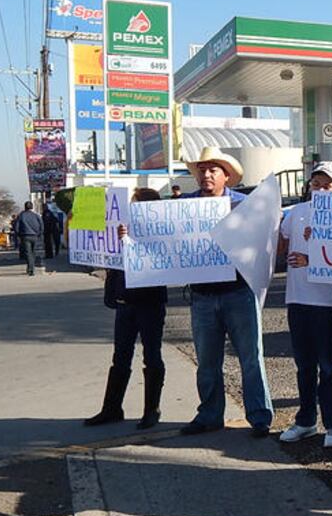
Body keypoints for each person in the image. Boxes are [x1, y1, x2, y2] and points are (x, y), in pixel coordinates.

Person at [180, 147, 274, 437]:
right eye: (202, 170)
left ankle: (259, 416)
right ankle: (209, 415)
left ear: (227, 176)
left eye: (213, 170)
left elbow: (266, 241)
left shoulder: (244, 205)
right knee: (207, 361)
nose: (206, 175)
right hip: (202, 296)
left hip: (239, 292)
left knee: (251, 358)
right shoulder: (182, 206)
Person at [85, 188, 168, 429]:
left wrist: (133, 239)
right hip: (125, 301)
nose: (131, 208)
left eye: (136, 204)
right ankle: (112, 408)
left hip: (150, 302)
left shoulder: (161, 231)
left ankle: (151, 410)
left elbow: (163, 257)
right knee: (120, 355)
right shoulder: (121, 228)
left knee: (152, 355)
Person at [278, 161, 332, 448]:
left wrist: (313, 256)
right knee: (304, 365)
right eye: (316, 184)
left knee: (328, 365)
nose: (321, 190)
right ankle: (306, 420)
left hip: (326, 300)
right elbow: (280, 244)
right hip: (297, 298)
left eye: (327, 185)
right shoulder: (296, 212)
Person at [14, 201, 43, 276]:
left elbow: (16, 227)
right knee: (33, 252)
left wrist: (19, 235)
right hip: (35, 236)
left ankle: (30, 269)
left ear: (25, 207)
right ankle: (31, 267)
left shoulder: (21, 215)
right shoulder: (36, 215)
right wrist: (39, 234)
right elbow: (41, 225)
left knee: (28, 253)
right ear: (32, 207)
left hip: (25, 236)